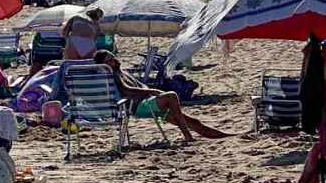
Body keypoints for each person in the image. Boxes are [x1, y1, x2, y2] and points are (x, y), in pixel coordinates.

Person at [94, 52, 233, 141]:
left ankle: (229, 136)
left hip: (147, 102)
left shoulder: (122, 71)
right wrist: (154, 91)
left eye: (112, 56)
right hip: (138, 106)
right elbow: (127, 90)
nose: (113, 59)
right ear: (104, 65)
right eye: (109, 60)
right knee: (171, 96)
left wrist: (149, 90)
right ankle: (187, 136)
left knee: (194, 122)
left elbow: (141, 86)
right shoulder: (113, 75)